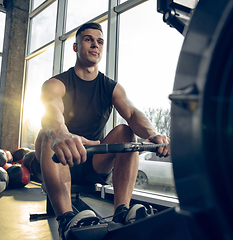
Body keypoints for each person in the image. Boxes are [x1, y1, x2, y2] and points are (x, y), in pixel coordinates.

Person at [34, 22, 170, 239]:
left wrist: (152, 133)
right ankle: (66, 220)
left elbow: (133, 114)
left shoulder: (110, 87)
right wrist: (61, 133)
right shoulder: (56, 83)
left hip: (92, 162)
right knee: (46, 134)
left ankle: (122, 212)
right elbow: (51, 108)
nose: (94, 45)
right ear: (76, 47)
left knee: (126, 132)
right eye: (88, 39)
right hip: (57, 159)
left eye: (99, 41)